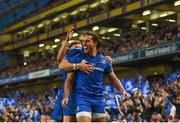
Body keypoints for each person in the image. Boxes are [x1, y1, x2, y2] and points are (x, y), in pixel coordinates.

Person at [61, 31, 129, 122]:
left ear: (95, 43)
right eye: (83, 41)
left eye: (87, 41)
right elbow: (68, 79)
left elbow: (114, 79)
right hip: (82, 99)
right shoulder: (79, 57)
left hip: (98, 100)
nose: (84, 44)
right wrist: (66, 96)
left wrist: (123, 91)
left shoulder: (104, 61)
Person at [51, 28, 92, 122]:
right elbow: (59, 60)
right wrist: (67, 40)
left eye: (79, 46)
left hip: (81, 93)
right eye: (74, 47)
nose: (77, 48)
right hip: (67, 93)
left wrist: (106, 58)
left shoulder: (85, 55)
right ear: (69, 49)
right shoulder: (69, 57)